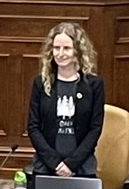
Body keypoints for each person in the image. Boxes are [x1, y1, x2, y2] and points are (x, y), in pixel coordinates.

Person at [26, 21, 105, 178]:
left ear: (78, 51)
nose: (60, 53)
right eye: (56, 48)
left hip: (82, 167)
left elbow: (95, 129)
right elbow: (33, 127)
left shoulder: (93, 84)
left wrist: (71, 164)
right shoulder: (41, 83)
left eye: (67, 48)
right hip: (46, 167)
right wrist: (55, 163)